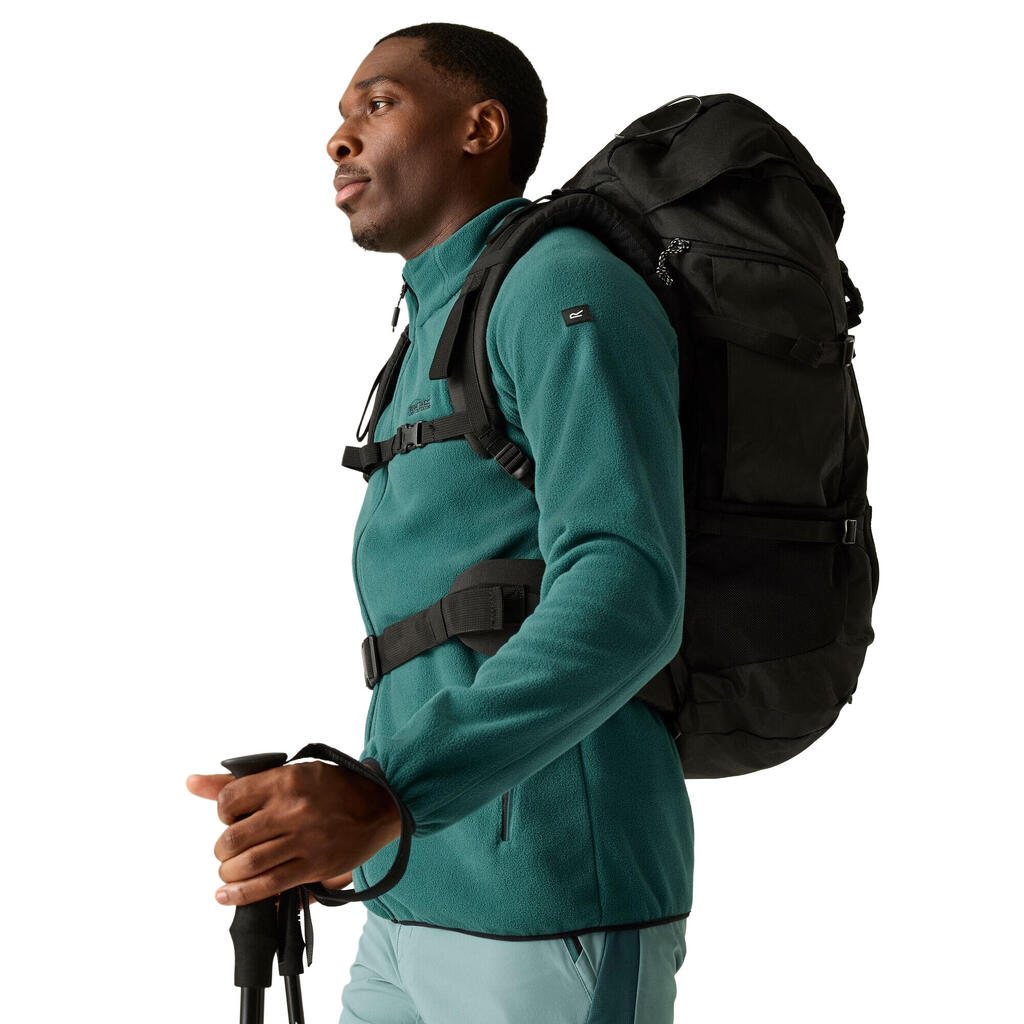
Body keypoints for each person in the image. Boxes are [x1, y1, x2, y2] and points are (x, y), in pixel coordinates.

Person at [188, 22, 694, 1023]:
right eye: (340, 117)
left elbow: (628, 587)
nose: (339, 138)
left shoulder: (560, 284)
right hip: (407, 893)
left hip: (547, 908)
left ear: (479, 128)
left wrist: (389, 793)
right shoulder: (438, 314)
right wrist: (349, 810)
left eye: (377, 105)